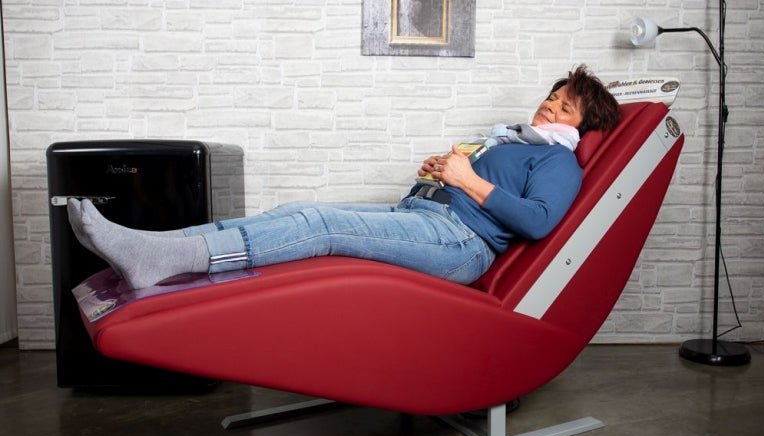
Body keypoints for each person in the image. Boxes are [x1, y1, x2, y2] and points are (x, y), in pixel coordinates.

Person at [67, 64, 620, 290]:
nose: (549, 106)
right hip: (425, 216)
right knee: (296, 212)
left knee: (320, 226)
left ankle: (163, 258)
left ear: (582, 124)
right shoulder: (514, 141)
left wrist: (469, 182)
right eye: (551, 96)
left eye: (564, 106)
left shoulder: (558, 162)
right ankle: (160, 248)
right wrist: (443, 172)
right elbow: (471, 183)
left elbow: (539, 221)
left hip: (459, 243)